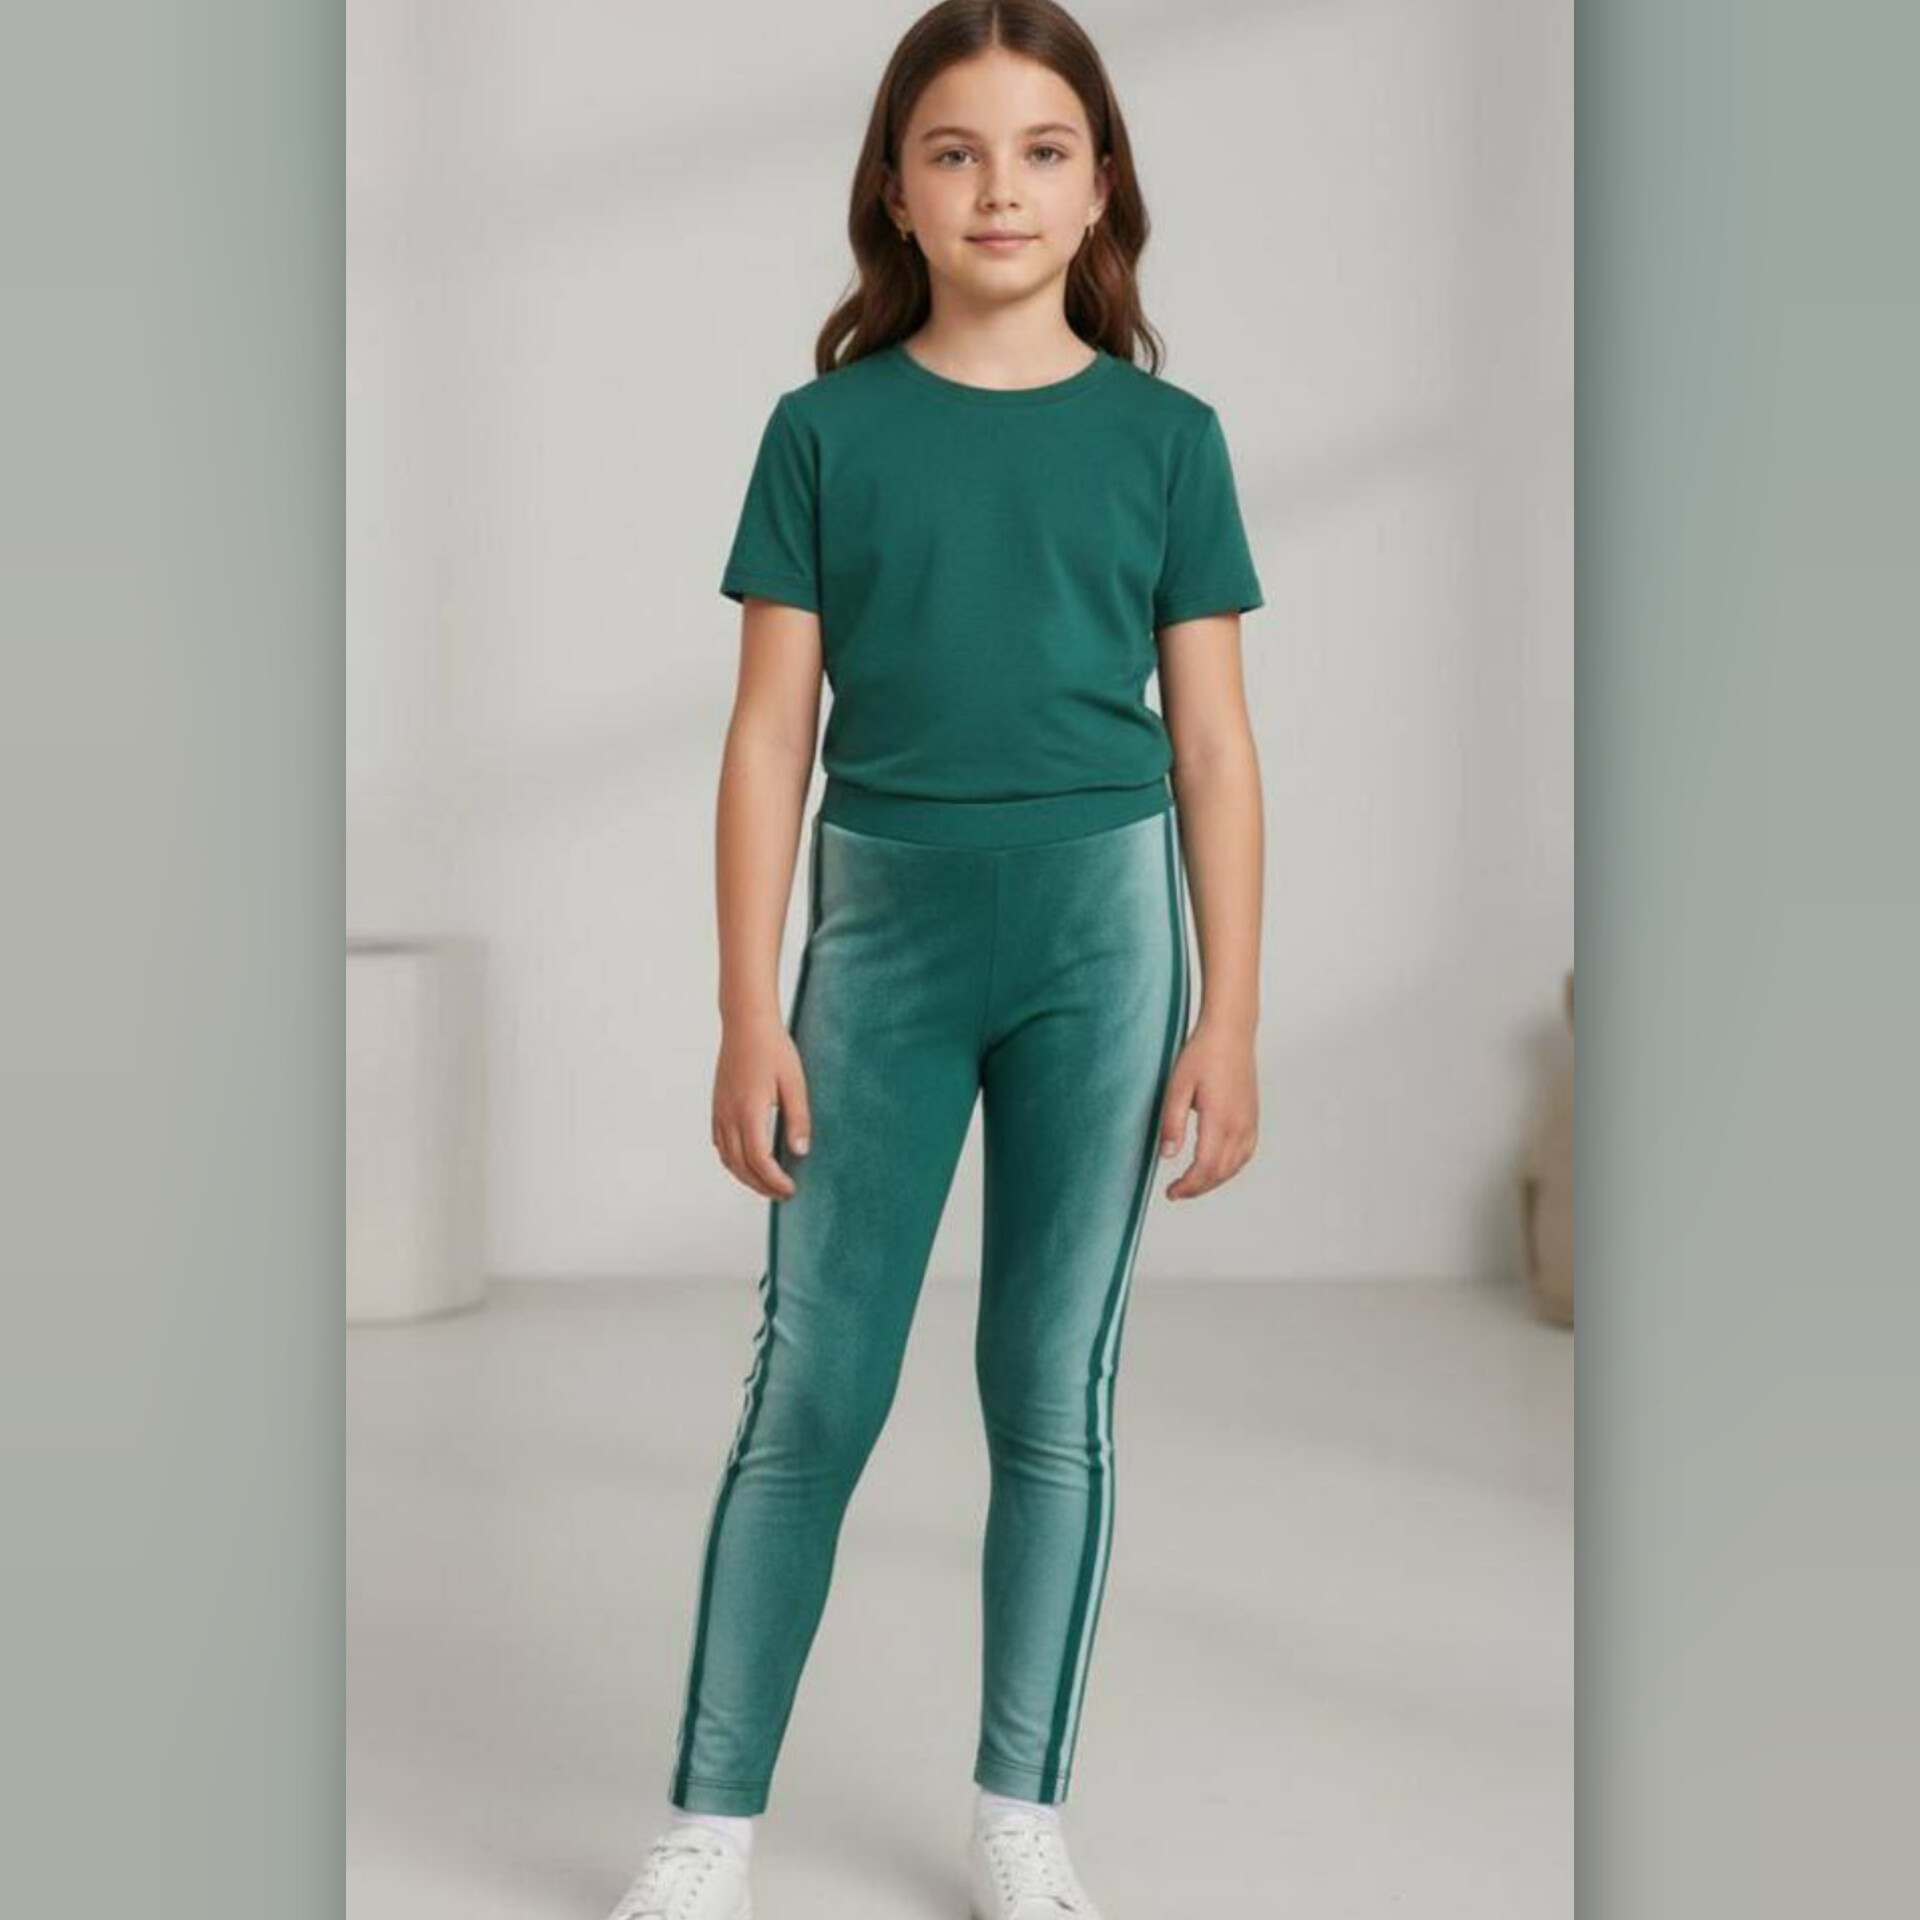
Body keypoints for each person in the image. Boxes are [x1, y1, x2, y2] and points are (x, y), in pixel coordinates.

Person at [605, 3, 1265, 1914]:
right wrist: (748, 1008)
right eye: (954, 150)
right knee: (814, 1385)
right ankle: (708, 1826)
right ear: (893, 188)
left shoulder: (1168, 442)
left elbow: (1215, 750)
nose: (999, 188)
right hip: (881, 940)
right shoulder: (824, 433)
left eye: (1043, 150)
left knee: (1050, 1385)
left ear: (1101, 184)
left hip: (1102, 940)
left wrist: (1229, 1011)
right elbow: (767, 741)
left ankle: (1019, 1812)